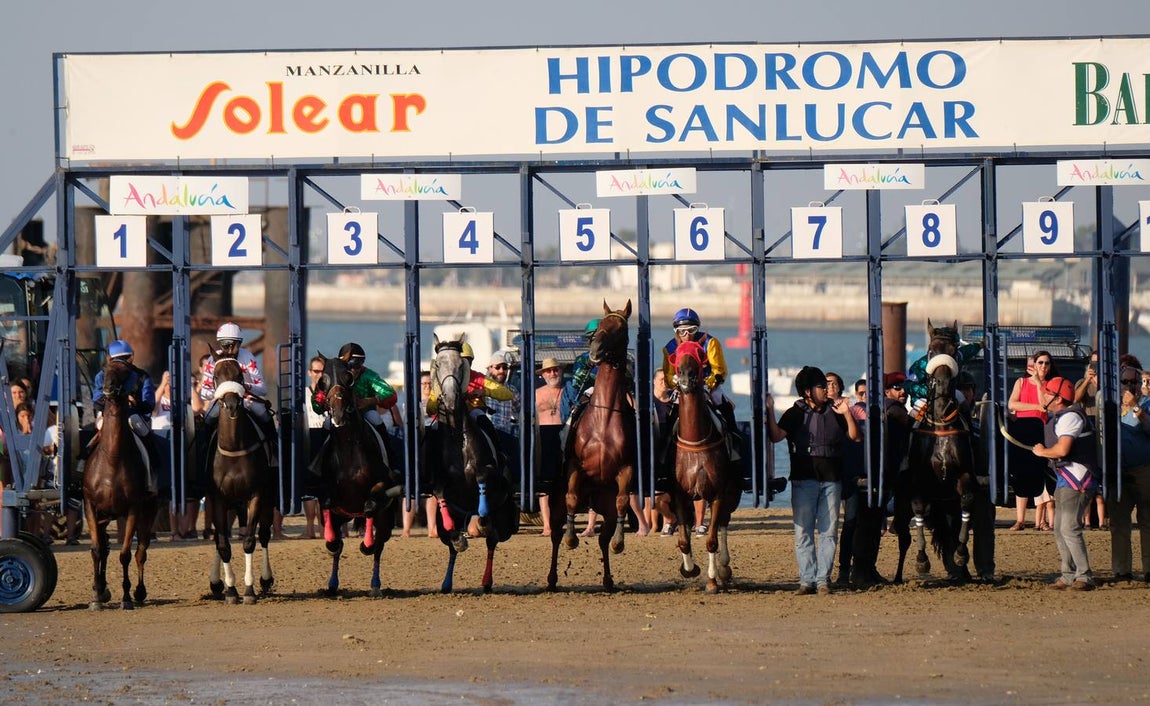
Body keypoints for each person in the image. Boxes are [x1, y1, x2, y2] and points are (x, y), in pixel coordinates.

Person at [765, 365, 861, 595]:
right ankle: (807, 580)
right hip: (803, 479)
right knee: (803, 531)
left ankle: (823, 580)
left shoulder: (835, 410)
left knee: (828, 532)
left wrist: (847, 413)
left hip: (832, 479)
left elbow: (855, 437)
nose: (827, 390)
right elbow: (776, 436)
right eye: (821, 386)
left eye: (827, 386)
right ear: (808, 391)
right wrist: (769, 411)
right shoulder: (795, 412)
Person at [659, 307, 738, 534]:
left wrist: (706, 385)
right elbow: (667, 374)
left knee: (724, 410)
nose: (686, 335)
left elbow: (719, 369)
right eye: (682, 330)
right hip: (682, 390)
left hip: (707, 388)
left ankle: (734, 447)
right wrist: (678, 384)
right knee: (669, 420)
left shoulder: (710, 343)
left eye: (691, 330)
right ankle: (665, 458)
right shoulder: (669, 348)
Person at [1031, 376, 1098, 590]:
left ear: (1058, 399)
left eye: (1048, 392)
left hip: (1076, 480)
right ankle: (1068, 575)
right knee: (1059, 530)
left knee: (1069, 529)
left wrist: (1042, 452)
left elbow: (1062, 450)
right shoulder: (1061, 415)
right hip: (1065, 479)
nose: (1044, 395)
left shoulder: (1070, 418)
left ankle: (1084, 576)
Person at [851, 371, 911, 587]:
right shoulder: (893, 409)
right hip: (883, 474)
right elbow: (909, 426)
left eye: (904, 386)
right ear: (886, 391)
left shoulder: (878, 409)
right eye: (897, 387)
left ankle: (866, 570)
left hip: (874, 474)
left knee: (869, 524)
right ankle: (862, 572)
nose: (902, 391)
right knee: (869, 525)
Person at [198, 322, 277, 467]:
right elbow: (205, 393)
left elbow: (263, 389)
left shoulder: (248, 357)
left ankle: (275, 454)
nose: (229, 349)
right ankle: (202, 459)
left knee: (265, 417)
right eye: (225, 344)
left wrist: (245, 386)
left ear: (239, 343)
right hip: (222, 402)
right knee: (207, 421)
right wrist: (224, 391)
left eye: (233, 344)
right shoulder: (212, 361)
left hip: (247, 400)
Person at [88, 340, 159, 490]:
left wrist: (132, 404)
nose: (119, 363)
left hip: (134, 416)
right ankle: (83, 464)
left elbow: (148, 405)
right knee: (98, 431)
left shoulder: (141, 376)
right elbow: (97, 401)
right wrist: (117, 401)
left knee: (143, 432)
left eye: (124, 358)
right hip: (109, 416)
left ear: (131, 358)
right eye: (116, 360)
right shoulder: (102, 375)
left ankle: (151, 471)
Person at [1007, 351, 1057, 531]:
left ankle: (1041, 520)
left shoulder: (1052, 385)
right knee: (1022, 474)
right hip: (1023, 432)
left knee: (1042, 474)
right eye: (1040, 363)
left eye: (1047, 363)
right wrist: (1036, 406)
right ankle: (1020, 519)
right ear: (1034, 365)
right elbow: (1012, 404)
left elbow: (1048, 405)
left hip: (1043, 432)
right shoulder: (1020, 382)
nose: (1043, 366)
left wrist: (1038, 385)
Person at [1110, 365, 1150, 583]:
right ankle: (1121, 569)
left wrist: (1137, 409)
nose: (1129, 386)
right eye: (1125, 382)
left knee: (1147, 519)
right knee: (1118, 521)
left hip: (1143, 469)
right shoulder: (1110, 405)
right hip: (1118, 471)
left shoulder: (1146, 404)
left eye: (1134, 382)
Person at [830, 372, 863, 585]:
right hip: (828, 473)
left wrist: (847, 412)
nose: (829, 386)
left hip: (849, 471)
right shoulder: (819, 409)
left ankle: (845, 568)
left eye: (833, 383)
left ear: (840, 387)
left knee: (850, 521)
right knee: (830, 525)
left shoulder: (851, 408)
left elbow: (857, 436)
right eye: (825, 383)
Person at [1074, 352, 1106, 530]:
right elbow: (1076, 399)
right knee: (1087, 478)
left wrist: (1099, 383)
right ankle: (1087, 521)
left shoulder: (1110, 382)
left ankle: (1102, 520)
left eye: (1098, 363)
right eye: (1093, 364)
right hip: (1088, 427)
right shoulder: (1081, 382)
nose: (1095, 367)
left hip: (1104, 428)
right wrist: (1088, 380)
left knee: (1101, 479)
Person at [535, 357, 565, 536]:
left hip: (565, 433)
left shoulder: (568, 391)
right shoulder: (537, 394)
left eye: (555, 370)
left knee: (565, 482)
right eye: (548, 371)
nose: (552, 373)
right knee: (544, 485)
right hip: (544, 436)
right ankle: (546, 525)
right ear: (543, 374)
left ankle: (564, 522)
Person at [299, 355, 327, 539]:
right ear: (310, 373)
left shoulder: (330, 391)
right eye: (316, 371)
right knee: (309, 486)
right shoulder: (304, 393)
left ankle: (324, 528)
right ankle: (310, 528)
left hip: (325, 435)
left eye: (322, 371)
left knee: (324, 486)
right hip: (309, 436)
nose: (319, 375)